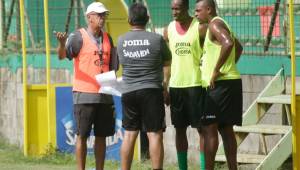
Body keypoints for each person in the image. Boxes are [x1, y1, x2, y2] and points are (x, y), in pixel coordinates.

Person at [56, 2, 118, 170]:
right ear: (89, 17)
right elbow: (62, 56)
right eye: (99, 15)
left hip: (104, 95)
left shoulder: (108, 38)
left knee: (101, 136)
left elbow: (113, 66)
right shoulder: (78, 37)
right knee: (82, 136)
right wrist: (62, 44)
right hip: (84, 95)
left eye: (104, 15)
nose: (102, 18)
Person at [117, 3, 171, 170]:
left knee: (129, 134)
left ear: (129, 20)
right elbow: (167, 62)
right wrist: (165, 86)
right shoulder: (157, 39)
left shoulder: (121, 40)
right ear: (147, 19)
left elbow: (121, 63)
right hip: (151, 91)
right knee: (154, 134)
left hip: (129, 91)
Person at [195, 0, 243, 170]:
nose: (195, 13)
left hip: (219, 86)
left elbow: (229, 43)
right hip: (231, 82)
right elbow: (239, 47)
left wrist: (217, 69)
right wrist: (229, 67)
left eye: (198, 10)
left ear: (209, 9)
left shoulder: (214, 25)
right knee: (226, 129)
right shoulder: (222, 22)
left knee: (209, 129)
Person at [163, 0, 207, 169]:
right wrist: (165, 86)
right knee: (179, 129)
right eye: (172, 9)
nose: (174, 12)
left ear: (186, 8)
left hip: (196, 85)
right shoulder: (169, 30)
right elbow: (167, 61)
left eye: (178, 8)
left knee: (201, 129)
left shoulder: (200, 27)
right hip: (176, 87)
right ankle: (183, 167)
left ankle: (204, 166)